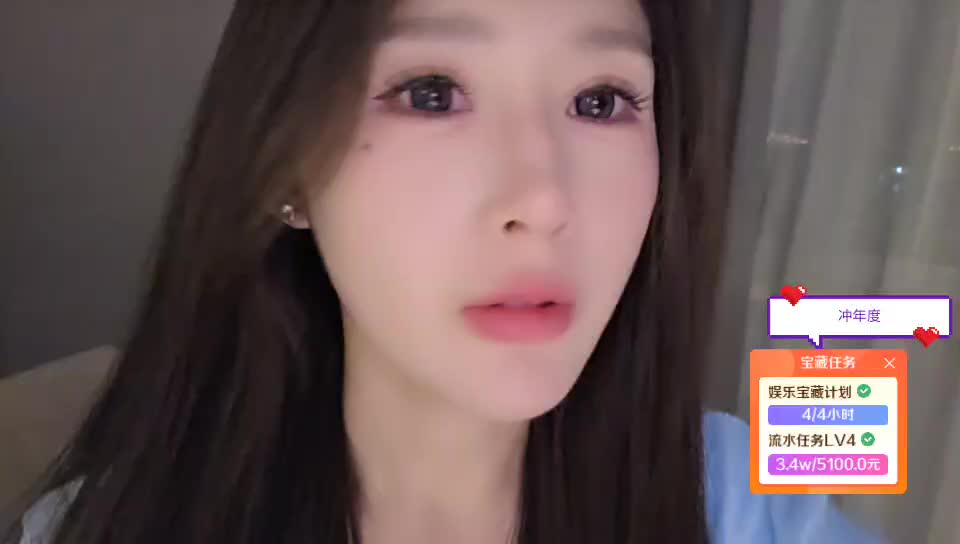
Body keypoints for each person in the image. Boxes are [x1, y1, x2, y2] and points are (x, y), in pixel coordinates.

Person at [3, 0, 885, 543]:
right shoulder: (102, 529)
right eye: (431, 92)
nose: (544, 198)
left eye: (600, 100)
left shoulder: (747, 506)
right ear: (285, 167)